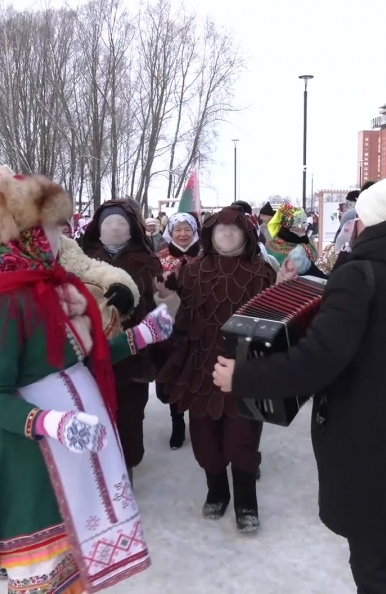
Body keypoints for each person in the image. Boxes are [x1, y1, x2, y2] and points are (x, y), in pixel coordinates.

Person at [212, 177, 386, 594]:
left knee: (376, 566)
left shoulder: (361, 275)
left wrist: (242, 376)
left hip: (368, 443)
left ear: (366, 224)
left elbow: (317, 360)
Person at [0, 173, 174, 594]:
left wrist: (141, 335)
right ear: (29, 232)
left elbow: (78, 361)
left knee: (72, 577)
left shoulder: (49, 284)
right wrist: (51, 423)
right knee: (44, 579)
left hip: (70, 461)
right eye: (57, 227)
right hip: (31, 464)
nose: (65, 235)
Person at [157, 206, 276, 533]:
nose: (226, 235)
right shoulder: (192, 271)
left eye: (234, 231)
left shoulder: (262, 271)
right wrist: (167, 299)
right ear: (209, 235)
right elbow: (180, 320)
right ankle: (216, 490)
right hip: (200, 367)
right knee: (205, 439)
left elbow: (273, 324)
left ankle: (246, 502)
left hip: (245, 369)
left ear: (246, 235)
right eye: (220, 231)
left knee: (243, 439)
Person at [80, 200, 164, 479]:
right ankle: (96, 470)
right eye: (108, 222)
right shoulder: (81, 258)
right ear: (97, 228)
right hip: (90, 351)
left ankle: (125, 467)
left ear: (132, 230)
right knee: (94, 411)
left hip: (134, 351)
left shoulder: (148, 260)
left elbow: (158, 304)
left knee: (130, 414)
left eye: (121, 223)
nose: (115, 227)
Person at [155, 212, 202, 450]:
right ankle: (177, 423)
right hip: (169, 328)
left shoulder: (204, 257)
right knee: (172, 377)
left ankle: (197, 423)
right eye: (178, 229)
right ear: (170, 232)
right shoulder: (161, 258)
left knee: (195, 375)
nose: (183, 234)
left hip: (198, 325)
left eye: (187, 229)